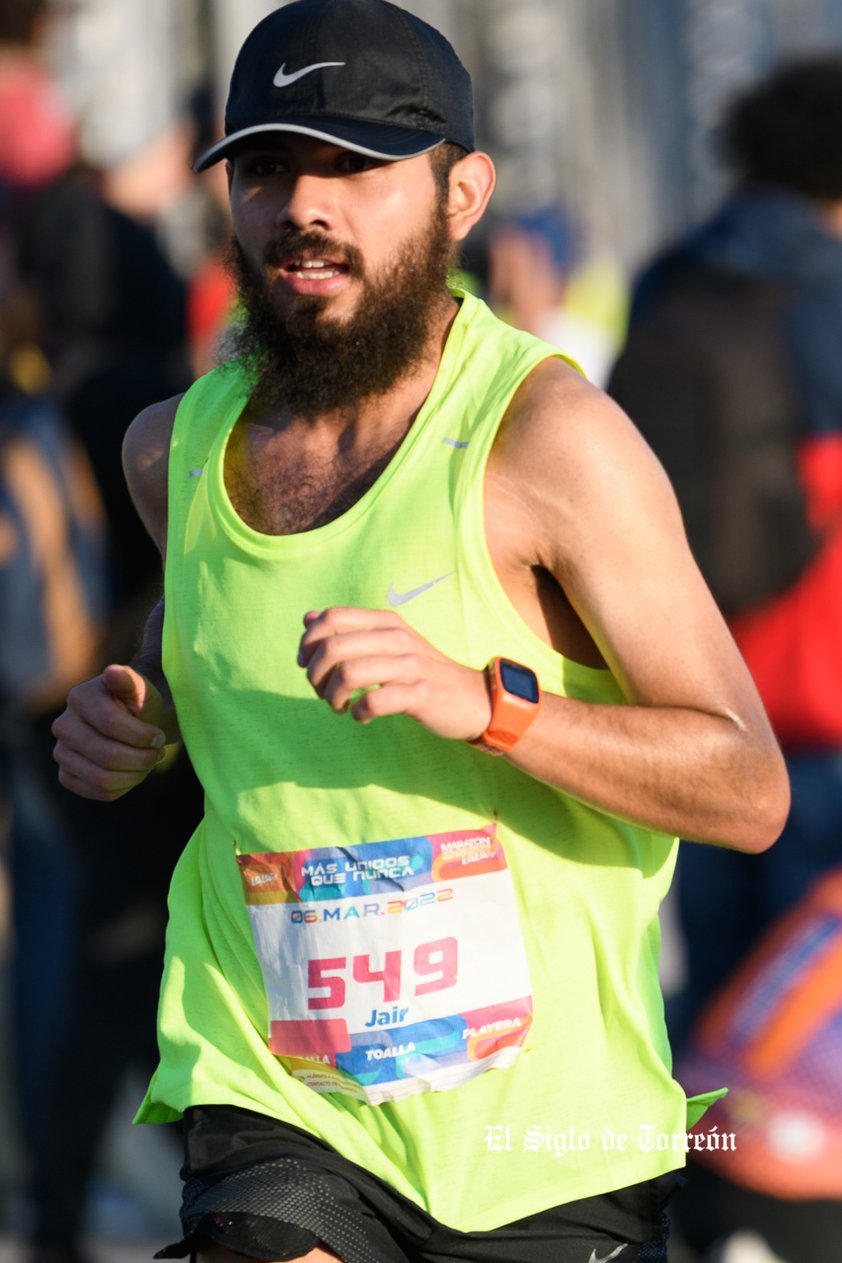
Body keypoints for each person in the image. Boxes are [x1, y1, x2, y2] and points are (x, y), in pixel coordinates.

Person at [51, 2, 789, 1261]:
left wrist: (487, 704)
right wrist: (140, 719)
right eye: (269, 167)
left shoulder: (548, 443)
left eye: (355, 167)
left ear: (461, 194)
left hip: (540, 1138)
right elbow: (209, 636)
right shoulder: (172, 448)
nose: (303, 206)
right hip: (280, 1095)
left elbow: (743, 786)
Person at [608, 56, 842, 1051]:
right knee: (810, 993)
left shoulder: (672, 274)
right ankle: (793, 1195)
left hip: (689, 682)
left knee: (711, 968)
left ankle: (700, 1178)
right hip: (822, 691)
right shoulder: (827, 296)